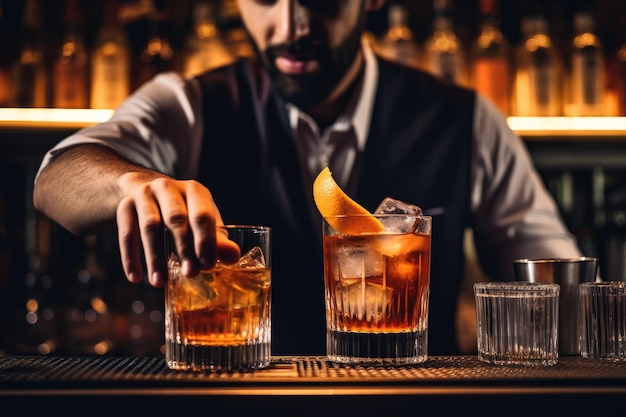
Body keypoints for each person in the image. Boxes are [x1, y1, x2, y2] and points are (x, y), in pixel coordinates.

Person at [33, 0, 581, 356]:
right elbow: (58, 176)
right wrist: (131, 184)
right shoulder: (192, 103)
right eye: (267, 1)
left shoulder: (465, 119)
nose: (291, 26)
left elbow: (561, 290)